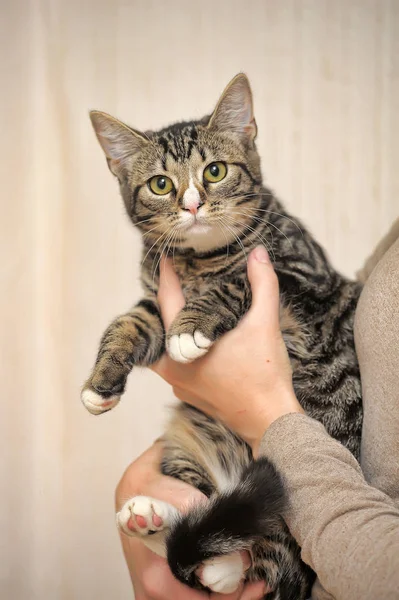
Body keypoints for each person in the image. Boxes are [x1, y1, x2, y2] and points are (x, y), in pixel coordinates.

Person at [116, 234, 399, 600]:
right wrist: (142, 476)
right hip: (260, 490)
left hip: (292, 549)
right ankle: (204, 542)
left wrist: (267, 420)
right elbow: (354, 323)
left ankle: (213, 545)